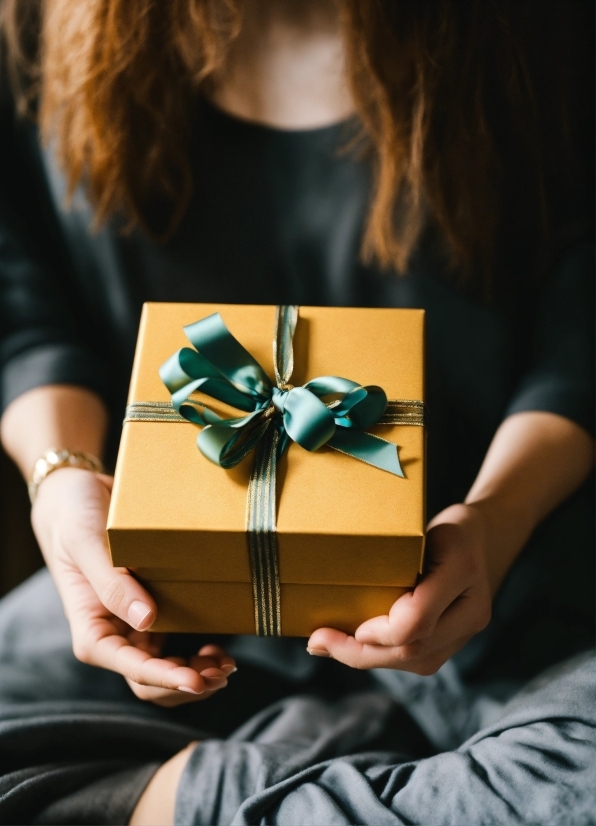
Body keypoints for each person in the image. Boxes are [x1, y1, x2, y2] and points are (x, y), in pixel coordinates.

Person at [0, 0, 594, 823]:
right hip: (171, 590)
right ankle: (326, 774)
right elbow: (24, 316)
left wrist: (496, 520)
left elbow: (580, 343)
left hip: (511, 579)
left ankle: (181, 799)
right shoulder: (33, 25)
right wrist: (61, 481)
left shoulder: (546, 34)